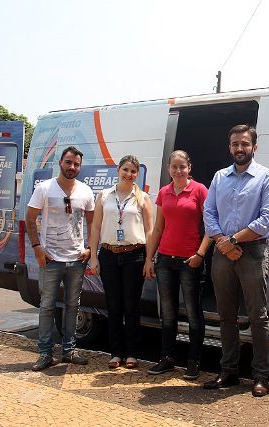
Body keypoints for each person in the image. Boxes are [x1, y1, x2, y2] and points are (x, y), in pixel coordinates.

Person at [203, 124, 269, 397]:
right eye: (235, 143)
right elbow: (209, 212)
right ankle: (229, 372)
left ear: (254, 147)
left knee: (258, 317)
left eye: (244, 143)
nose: (239, 148)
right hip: (223, 252)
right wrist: (223, 242)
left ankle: (261, 376)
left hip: (253, 251)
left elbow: (267, 218)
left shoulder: (266, 177)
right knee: (226, 317)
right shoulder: (219, 177)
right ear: (230, 147)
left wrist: (233, 240)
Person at [26, 146, 95, 371]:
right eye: (68, 162)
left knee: (73, 306)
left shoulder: (86, 191)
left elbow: (93, 223)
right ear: (60, 163)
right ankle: (45, 353)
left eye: (76, 164)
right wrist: (37, 247)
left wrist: (90, 249)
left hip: (77, 259)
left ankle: (69, 350)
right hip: (51, 258)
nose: (72, 167)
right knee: (47, 306)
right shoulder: (44, 188)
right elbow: (29, 218)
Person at [146, 150, 211, 380]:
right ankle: (167, 358)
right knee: (169, 314)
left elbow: (212, 226)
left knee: (194, 314)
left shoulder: (200, 190)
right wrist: (149, 259)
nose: (178, 170)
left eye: (182, 166)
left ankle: (193, 362)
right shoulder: (164, 192)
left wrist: (200, 255)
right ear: (168, 169)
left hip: (189, 262)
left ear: (189, 167)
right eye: (174, 167)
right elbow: (158, 229)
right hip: (165, 259)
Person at [89, 155, 154, 370]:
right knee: (113, 306)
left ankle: (132, 353)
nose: (129, 174)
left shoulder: (143, 197)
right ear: (118, 170)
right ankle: (116, 353)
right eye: (125, 169)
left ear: (138, 174)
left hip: (134, 255)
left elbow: (149, 230)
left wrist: (149, 259)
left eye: (133, 171)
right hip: (108, 254)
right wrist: (94, 257)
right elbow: (96, 227)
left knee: (131, 307)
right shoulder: (104, 195)